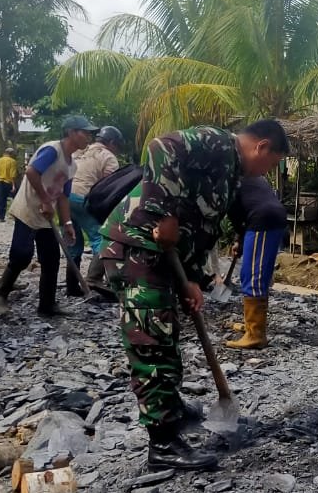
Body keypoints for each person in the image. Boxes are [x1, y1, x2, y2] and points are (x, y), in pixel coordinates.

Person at [101, 119, 288, 471]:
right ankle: (163, 444)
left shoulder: (231, 173)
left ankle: (170, 407)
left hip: (163, 260)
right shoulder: (217, 143)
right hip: (138, 249)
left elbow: (200, 227)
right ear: (262, 147)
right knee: (152, 341)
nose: (267, 172)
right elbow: (160, 147)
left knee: (165, 334)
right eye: (272, 163)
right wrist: (164, 214)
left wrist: (191, 280)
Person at [0, 116, 96, 317]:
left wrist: (67, 223)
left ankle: (47, 306)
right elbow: (31, 172)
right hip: (29, 209)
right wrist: (45, 200)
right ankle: (0, 295)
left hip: (46, 216)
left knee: (51, 259)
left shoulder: (71, 165)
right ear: (72, 133)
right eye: (86, 132)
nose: (89, 137)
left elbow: (64, 197)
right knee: (21, 255)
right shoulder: (52, 150)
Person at [225, 174, 287, 349]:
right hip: (266, 217)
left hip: (263, 219)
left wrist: (239, 236)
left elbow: (234, 212)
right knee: (252, 274)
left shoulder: (228, 177)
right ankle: (251, 326)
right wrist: (240, 240)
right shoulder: (248, 174)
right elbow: (246, 207)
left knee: (254, 275)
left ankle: (255, 335)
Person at [67, 125, 123, 295]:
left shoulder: (79, 151)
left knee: (73, 241)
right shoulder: (108, 157)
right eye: (117, 145)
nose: (118, 149)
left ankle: (72, 287)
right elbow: (109, 188)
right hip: (83, 198)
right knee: (102, 239)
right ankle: (93, 279)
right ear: (112, 142)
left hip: (64, 197)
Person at [0, 147, 19, 223]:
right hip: (9, 183)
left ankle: (1, 217)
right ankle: (16, 216)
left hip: (0, 182)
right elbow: (13, 175)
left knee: (1, 200)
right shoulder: (13, 161)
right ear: (11, 154)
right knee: (16, 199)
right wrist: (14, 186)